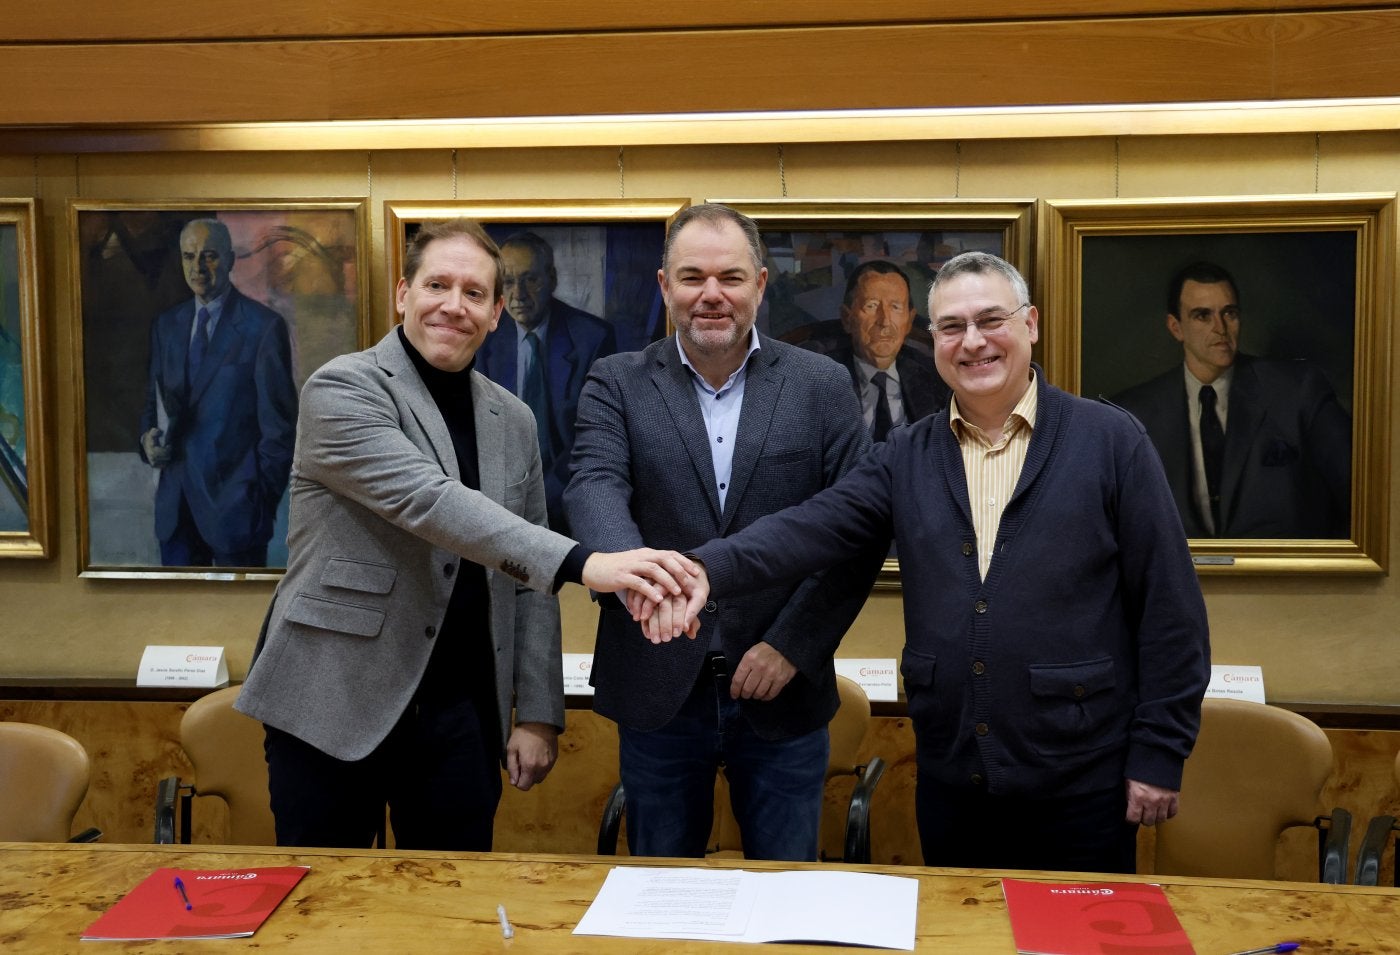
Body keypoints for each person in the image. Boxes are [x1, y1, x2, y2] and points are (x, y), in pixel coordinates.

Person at [651, 251, 1210, 874]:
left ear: (1030, 324)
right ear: (934, 339)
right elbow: (810, 528)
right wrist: (701, 568)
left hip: (1083, 787)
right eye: (951, 327)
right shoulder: (907, 455)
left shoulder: (1111, 442)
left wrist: (1159, 754)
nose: (972, 342)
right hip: (953, 783)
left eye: (990, 320)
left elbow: (1171, 612)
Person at [235, 218, 698, 852]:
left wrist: (537, 714)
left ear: (497, 311)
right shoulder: (342, 387)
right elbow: (429, 501)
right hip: (331, 700)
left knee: (454, 906)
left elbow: (525, 574)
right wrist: (585, 562)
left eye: (475, 293)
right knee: (328, 912)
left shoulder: (513, 419)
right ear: (404, 293)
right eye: (438, 285)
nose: (454, 306)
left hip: (459, 712)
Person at [563, 203, 881, 862]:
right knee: (660, 894)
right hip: (656, 683)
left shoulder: (822, 385)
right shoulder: (615, 383)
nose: (712, 294)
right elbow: (593, 486)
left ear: (761, 285)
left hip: (783, 688)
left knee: (787, 898)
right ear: (664, 287)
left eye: (730, 277)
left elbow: (859, 524)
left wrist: (792, 644)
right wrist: (640, 584)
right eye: (692, 277)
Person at [1111, 261, 1351, 539]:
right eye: (1203, 316)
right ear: (1176, 327)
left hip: (1282, 577)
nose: (1220, 328)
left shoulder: (1298, 391)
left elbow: (1363, 497)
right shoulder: (1133, 413)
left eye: (1230, 313)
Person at [138, 218, 298, 566]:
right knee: (174, 619)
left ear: (229, 259)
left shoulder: (263, 328)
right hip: (175, 515)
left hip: (237, 514)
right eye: (188, 256)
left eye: (209, 256)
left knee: (239, 620)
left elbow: (280, 431)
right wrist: (147, 441)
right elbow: (154, 406)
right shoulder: (167, 326)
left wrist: (258, 501)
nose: (198, 267)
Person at [474, 230, 617, 534]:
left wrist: (536, 503)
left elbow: (590, 440)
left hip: (569, 495)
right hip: (496, 497)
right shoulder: (483, 338)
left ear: (551, 279)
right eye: (509, 282)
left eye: (531, 280)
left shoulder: (592, 339)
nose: (519, 295)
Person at [819, 260, 949, 441]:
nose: (885, 321)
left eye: (895, 307)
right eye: (871, 306)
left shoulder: (933, 376)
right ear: (847, 318)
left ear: (909, 321)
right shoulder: (822, 380)